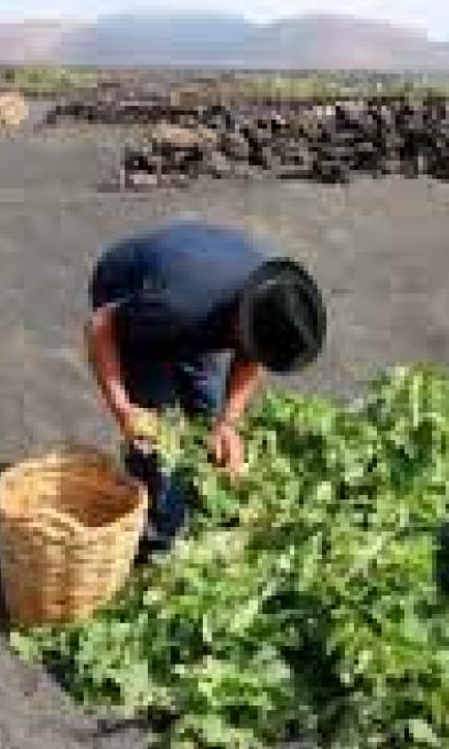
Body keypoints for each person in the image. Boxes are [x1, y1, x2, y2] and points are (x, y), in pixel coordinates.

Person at [85, 221, 326, 559]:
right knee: (158, 444)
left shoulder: (268, 299)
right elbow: (100, 327)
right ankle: (156, 541)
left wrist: (228, 423)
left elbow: (250, 356)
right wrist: (123, 408)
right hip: (127, 290)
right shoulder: (177, 306)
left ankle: (206, 507)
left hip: (192, 297)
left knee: (211, 426)